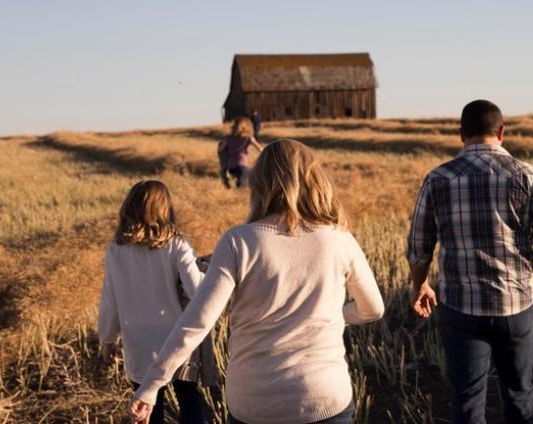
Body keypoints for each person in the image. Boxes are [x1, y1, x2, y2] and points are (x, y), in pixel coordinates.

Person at [130, 139, 385, 424]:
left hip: (254, 403)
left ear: (259, 183)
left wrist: (152, 384)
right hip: (323, 398)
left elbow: (198, 321)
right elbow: (373, 309)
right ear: (313, 179)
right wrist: (330, 316)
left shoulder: (239, 241)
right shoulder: (339, 239)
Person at [407, 100, 533, 424]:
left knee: (467, 404)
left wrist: (419, 284)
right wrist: (530, 281)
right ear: (502, 132)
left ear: (460, 134)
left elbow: (420, 247)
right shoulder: (527, 175)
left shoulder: (438, 178)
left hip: (460, 309)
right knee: (519, 396)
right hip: (516, 307)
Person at [98, 180, 213, 424]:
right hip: (175, 342)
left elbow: (110, 299)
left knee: (148, 408)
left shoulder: (115, 252)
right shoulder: (177, 245)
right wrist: (207, 269)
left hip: (137, 344)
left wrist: (107, 338)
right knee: (189, 397)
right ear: (166, 209)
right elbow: (198, 292)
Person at [218, 117, 263, 188]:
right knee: (243, 186)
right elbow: (260, 149)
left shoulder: (228, 138)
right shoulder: (248, 138)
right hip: (242, 166)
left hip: (231, 167)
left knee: (235, 185)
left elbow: (221, 149)